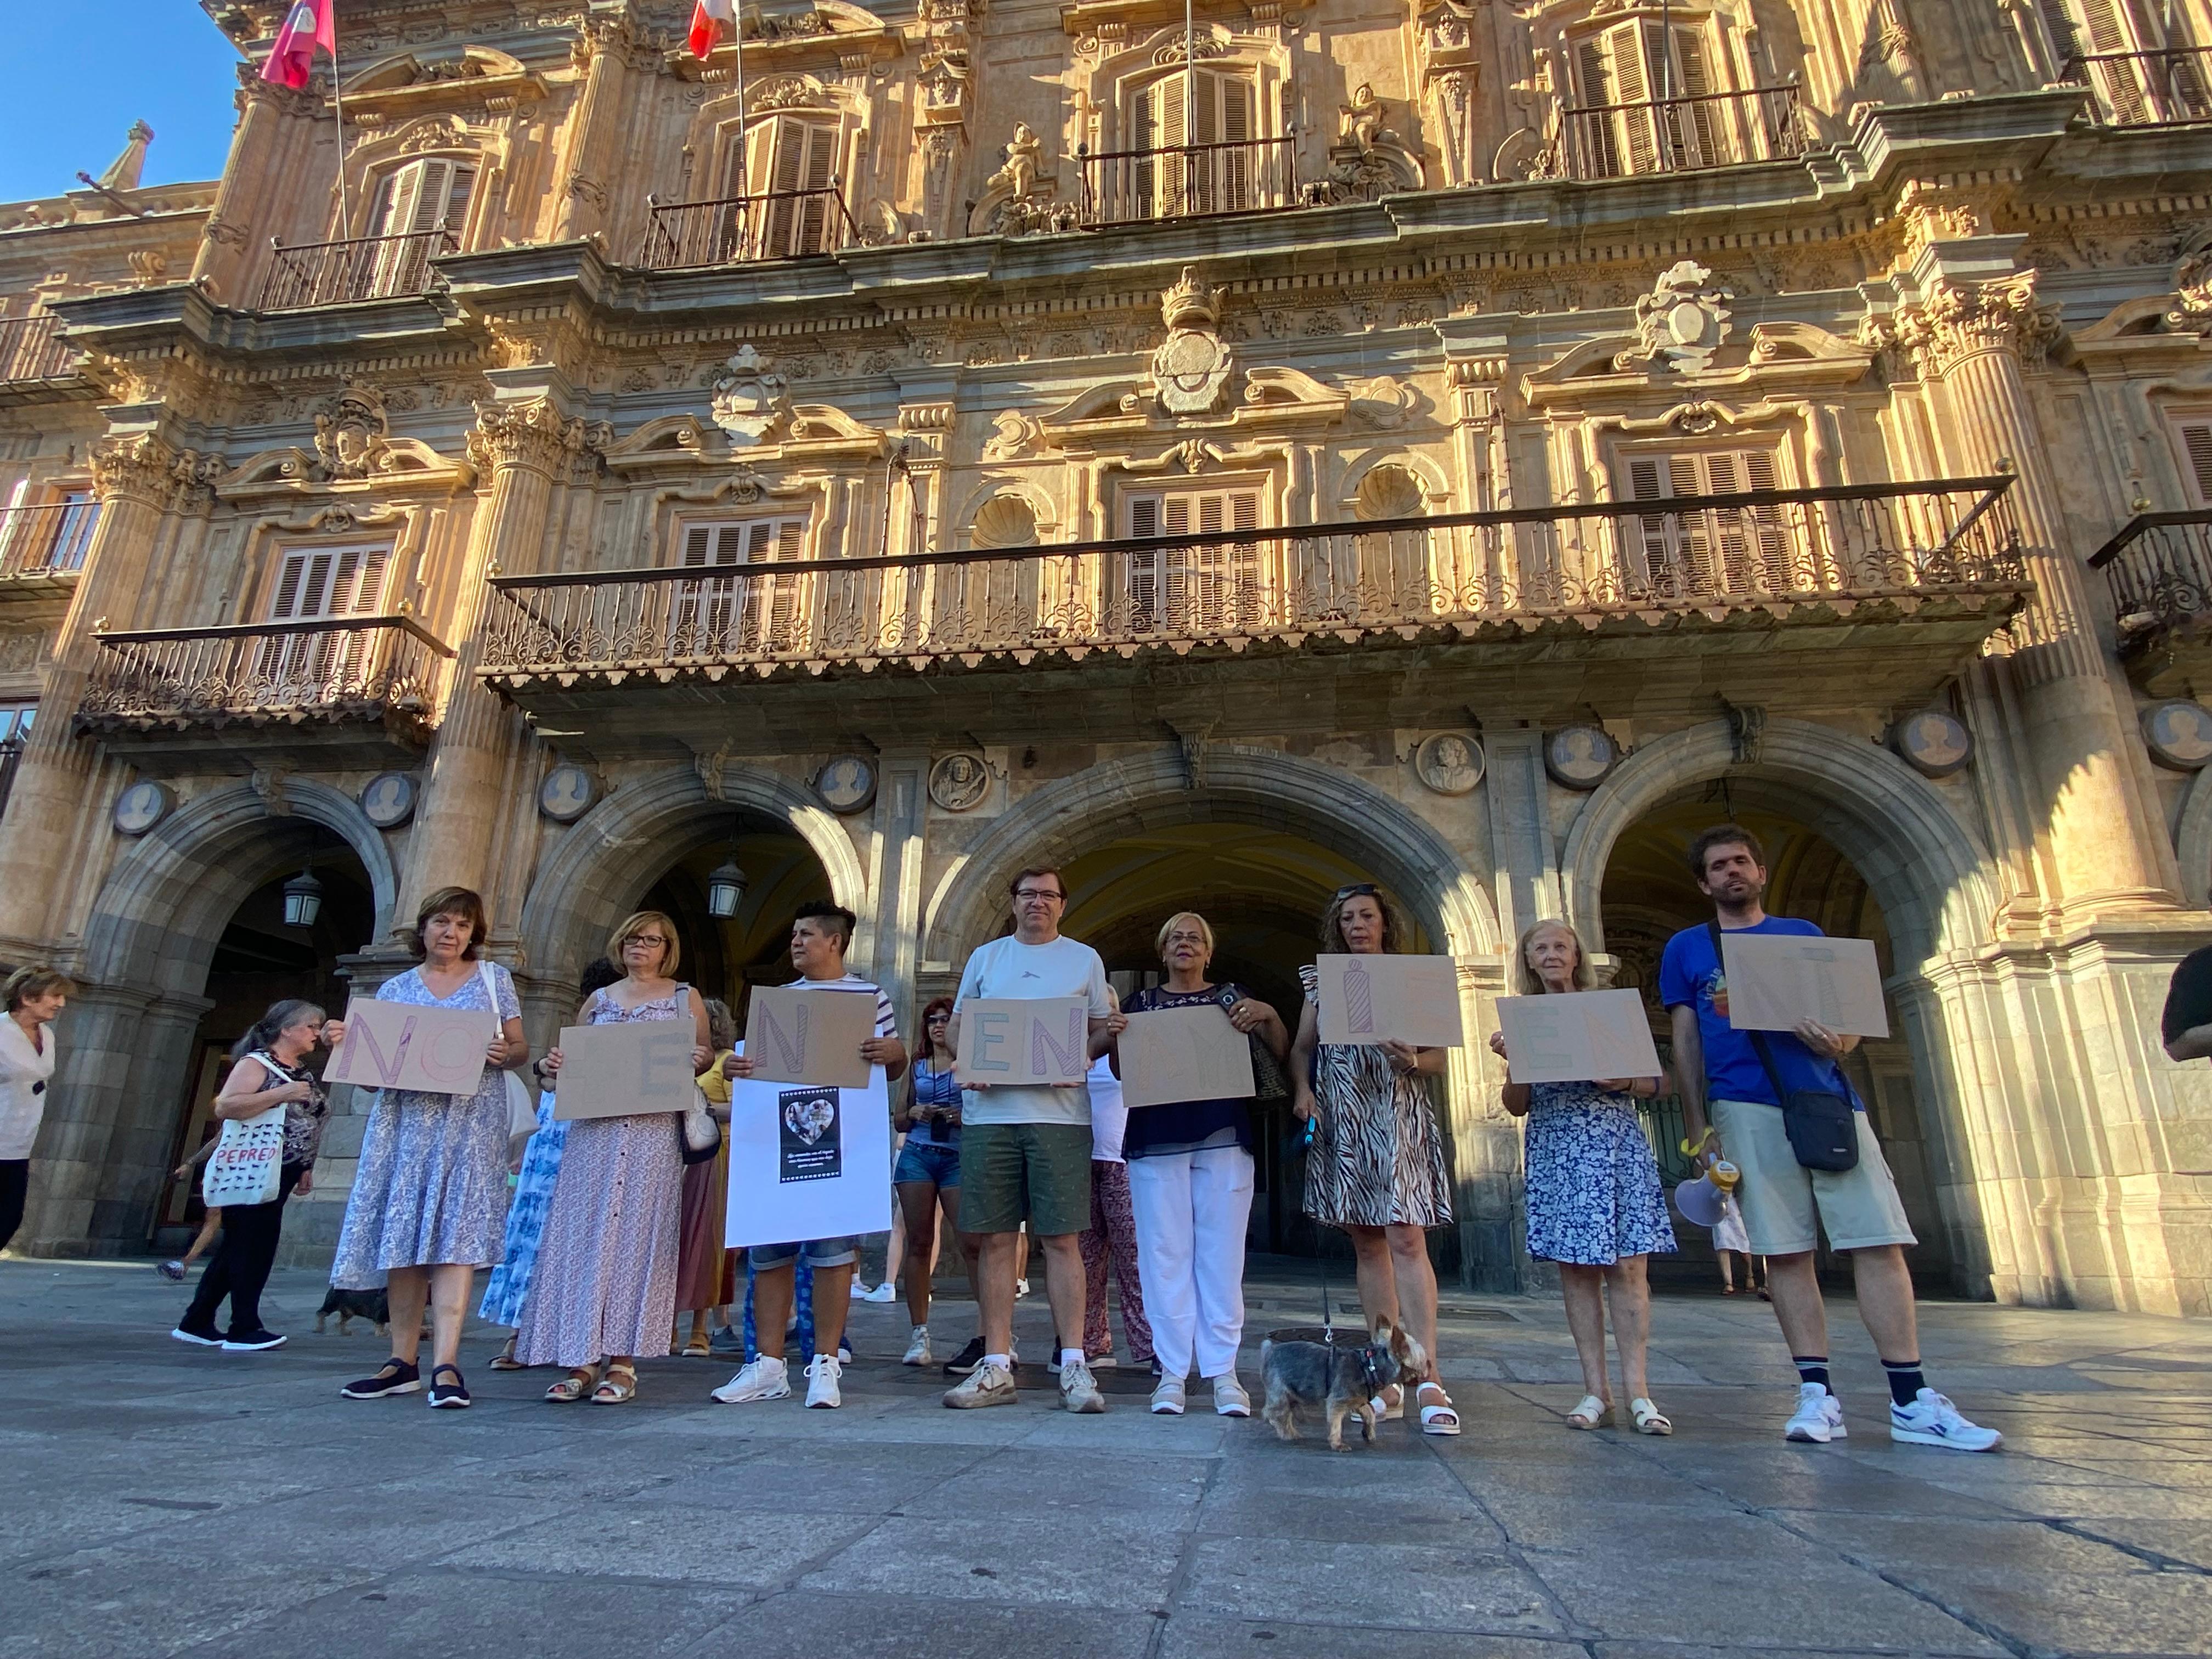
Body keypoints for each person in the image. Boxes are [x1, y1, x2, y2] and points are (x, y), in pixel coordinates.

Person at [1663, 824, 1999, 1451]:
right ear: (1703, 883)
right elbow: (1686, 1039)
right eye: (1718, 866)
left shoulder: (1805, 935)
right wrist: (1696, 1125)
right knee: (1785, 1251)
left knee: (1878, 1239)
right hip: (1742, 1105)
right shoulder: (1687, 947)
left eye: (1741, 861)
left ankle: (1911, 1397)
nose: (1732, 872)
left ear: (1760, 873)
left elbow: (1847, 1028)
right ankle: (1816, 1392)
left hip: (1827, 1100)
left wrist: (1838, 1041)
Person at [329, 887, 527, 1410]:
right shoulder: (395, 988)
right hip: (406, 1126)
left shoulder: (494, 980)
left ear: (473, 934)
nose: (451, 933)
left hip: (468, 1124)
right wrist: (348, 1048)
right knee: (403, 1237)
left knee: (454, 1241)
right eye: (442, 922)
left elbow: (519, 1048)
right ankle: (402, 1362)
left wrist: (505, 1052)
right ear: (423, 929)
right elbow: (371, 1080)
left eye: (462, 925)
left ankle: (447, 1363)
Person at [712, 900, 907, 1410]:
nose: (795, 942)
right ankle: (767, 1365)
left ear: (835, 941)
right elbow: (757, 1069)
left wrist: (895, 1053)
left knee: (833, 1254)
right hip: (782, 1136)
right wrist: (736, 1067)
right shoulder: (779, 1001)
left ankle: (825, 1362)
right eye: (794, 934)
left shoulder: (870, 996)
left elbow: (892, 1064)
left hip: (842, 1139)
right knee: (771, 1251)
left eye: (806, 934)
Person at [941, 866, 1117, 1412]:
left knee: (1063, 1239)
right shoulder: (986, 958)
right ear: (1012, 902)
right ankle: (996, 1364)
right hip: (990, 1113)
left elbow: (1100, 1027)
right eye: (1027, 894)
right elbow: (955, 1026)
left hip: (1059, 1115)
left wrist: (1085, 1056)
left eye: (1048, 895)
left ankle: (1074, 1364)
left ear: (1063, 904)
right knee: (995, 1238)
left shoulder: (1083, 959)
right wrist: (963, 1059)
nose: (1037, 902)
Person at [1491, 920, 1675, 1434]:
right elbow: (1516, 1105)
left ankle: (1639, 1392)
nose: (1551, 955)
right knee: (1576, 1272)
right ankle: (1597, 1390)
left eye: (1560, 947)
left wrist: (1627, 1079)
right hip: (1558, 1145)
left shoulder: (1608, 1008)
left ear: (1577, 957)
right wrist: (1514, 1065)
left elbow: (1659, 1084)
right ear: (1528, 960)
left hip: (1614, 1141)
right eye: (1540, 948)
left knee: (1629, 1270)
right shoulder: (1524, 1018)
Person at [1289, 884, 1459, 1435]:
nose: (1357, 925)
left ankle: (1428, 1372)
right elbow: (1302, 1048)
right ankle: (1385, 1371)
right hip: (1345, 1114)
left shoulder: (1412, 977)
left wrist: (1413, 1059)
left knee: (1407, 1235)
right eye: (1347, 919)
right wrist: (1303, 1090)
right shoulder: (1322, 981)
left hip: (1396, 1108)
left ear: (1386, 922)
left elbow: (1441, 1058)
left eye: (1366, 916)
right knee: (1366, 1240)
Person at [521, 911, 711, 1404]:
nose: (640, 947)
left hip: (650, 1136)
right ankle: (581, 1358)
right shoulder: (598, 1001)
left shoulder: (681, 997)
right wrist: (551, 1066)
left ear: (667, 948)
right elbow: (561, 1073)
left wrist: (699, 1059)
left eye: (651, 940)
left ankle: (623, 1362)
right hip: (594, 1135)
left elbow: (705, 1054)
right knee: (585, 1240)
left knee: (636, 1243)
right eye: (632, 938)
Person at [1116, 911, 1284, 1417]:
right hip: (1156, 1138)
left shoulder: (1231, 999)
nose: (1184, 944)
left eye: (1194, 938)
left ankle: (1223, 1372)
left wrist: (1269, 1013)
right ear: (1162, 951)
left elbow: (1279, 1053)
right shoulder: (1139, 1004)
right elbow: (1123, 1069)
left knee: (1222, 1257)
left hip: (1223, 1136)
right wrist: (1116, 1033)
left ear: (1209, 952)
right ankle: (1171, 1371)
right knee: (1162, 1254)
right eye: (1175, 938)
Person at [481, 956, 624, 1369]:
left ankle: (525, 1334)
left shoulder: (592, 1025)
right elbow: (550, 1078)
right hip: (567, 1136)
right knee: (549, 1234)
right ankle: (529, 1334)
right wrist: (546, 1070)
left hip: (563, 1137)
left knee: (538, 1234)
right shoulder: (593, 1023)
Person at [171, 1000, 334, 1351]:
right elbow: (226, 1106)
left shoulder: (301, 1070)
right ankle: (244, 1326)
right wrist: (281, 1093)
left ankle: (197, 1320)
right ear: (286, 1030)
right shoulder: (257, 1063)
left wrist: (306, 1166)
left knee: (239, 1248)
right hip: (253, 1168)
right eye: (310, 1026)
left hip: (283, 1170)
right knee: (253, 1248)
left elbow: (310, 1120)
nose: (316, 1034)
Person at [895, 996, 982, 1370]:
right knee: (919, 1241)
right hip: (918, 1152)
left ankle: (989, 1331)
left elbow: (986, 1110)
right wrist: (913, 1112)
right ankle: (919, 1333)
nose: (938, 1025)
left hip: (958, 1155)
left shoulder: (971, 1063)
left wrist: (962, 1115)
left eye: (946, 1019)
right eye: (932, 1020)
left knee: (972, 1244)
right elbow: (899, 1118)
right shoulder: (916, 1067)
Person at [1077, 991, 1154, 1379]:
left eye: (1107, 1004)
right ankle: (1091, 1343)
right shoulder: (1075, 1048)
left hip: (1122, 1159)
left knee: (1135, 1256)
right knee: (1086, 1259)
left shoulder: (1129, 1043)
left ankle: (1152, 1346)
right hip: (1081, 1161)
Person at [673, 996, 739, 1356]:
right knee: (670, 1241)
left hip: (714, 1155)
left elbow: (743, 1105)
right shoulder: (677, 1059)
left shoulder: (727, 1061)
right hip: (673, 1154)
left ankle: (700, 1328)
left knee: (704, 1240)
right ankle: (665, 1327)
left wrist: (701, 1105)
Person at [0, 967, 73, 1255]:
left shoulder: (48, 1036)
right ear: (28, 997)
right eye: (55, 996)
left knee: (9, 1219)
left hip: (19, 1144)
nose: (61, 1003)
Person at [1713, 1189, 1765, 1299]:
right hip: (1717, 1197)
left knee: (1743, 1240)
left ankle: (1749, 1275)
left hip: (1737, 1199)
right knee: (1722, 1240)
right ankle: (1728, 1283)